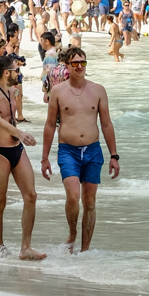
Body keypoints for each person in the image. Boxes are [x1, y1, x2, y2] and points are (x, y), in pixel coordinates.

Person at [40, 46, 119, 252]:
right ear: (66, 65)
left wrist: (114, 155)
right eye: (75, 63)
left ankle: (85, 249)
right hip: (68, 151)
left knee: (90, 202)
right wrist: (44, 158)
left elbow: (107, 124)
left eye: (83, 63)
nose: (79, 67)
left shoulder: (98, 90)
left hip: (93, 151)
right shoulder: (58, 91)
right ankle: (73, 233)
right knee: (74, 196)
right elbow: (50, 124)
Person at [0, 54, 44, 260]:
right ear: (6, 73)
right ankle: (0, 246)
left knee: (31, 196)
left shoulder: (13, 91)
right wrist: (20, 133)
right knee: (0, 201)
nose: (19, 73)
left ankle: (26, 247)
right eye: (16, 70)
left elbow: (12, 117)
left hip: (17, 148)